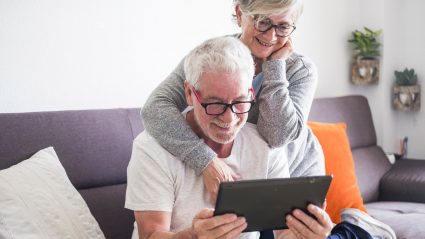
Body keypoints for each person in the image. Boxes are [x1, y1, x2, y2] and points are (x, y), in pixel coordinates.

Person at [126, 37, 397, 239]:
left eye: (240, 102)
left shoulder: (262, 144)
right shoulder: (152, 148)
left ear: (252, 94)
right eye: (215, 104)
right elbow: (151, 236)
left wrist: (313, 233)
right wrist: (194, 235)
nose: (229, 120)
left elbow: (282, 234)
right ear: (189, 93)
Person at [141, 0, 324, 204]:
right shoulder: (211, 57)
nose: (271, 36)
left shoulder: (300, 70)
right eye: (262, 21)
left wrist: (275, 66)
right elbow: (154, 108)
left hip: (293, 178)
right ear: (239, 13)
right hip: (238, 179)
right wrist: (205, 160)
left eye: (283, 27)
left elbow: (277, 136)